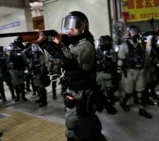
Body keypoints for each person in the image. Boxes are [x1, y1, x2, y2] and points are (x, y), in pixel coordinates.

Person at [32, 11, 108, 141]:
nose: (70, 29)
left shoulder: (85, 45)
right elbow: (55, 61)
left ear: (84, 27)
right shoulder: (73, 44)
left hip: (83, 92)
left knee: (83, 126)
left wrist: (46, 44)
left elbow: (67, 59)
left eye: (75, 25)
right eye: (67, 25)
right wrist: (54, 44)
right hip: (73, 89)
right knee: (73, 123)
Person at [117, 25, 152, 118]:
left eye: (136, 31)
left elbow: (145, 57)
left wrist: (146, 68)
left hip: (140, 70)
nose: (135, 33)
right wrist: (119, 71)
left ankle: (141, 109)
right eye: (132, 32)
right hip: (129, 71)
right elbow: (120, 59)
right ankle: (123, 102)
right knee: (129, 91)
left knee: (141, 89)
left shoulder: (141, 45)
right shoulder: (124, 45)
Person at [96, 35, 118, 104]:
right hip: (107, 73)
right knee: (110, 87)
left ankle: (103, 99)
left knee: (102, 87)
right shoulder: (111, 51)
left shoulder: (96, 50)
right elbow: (115, 61)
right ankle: (109, 99)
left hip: (99, 73)